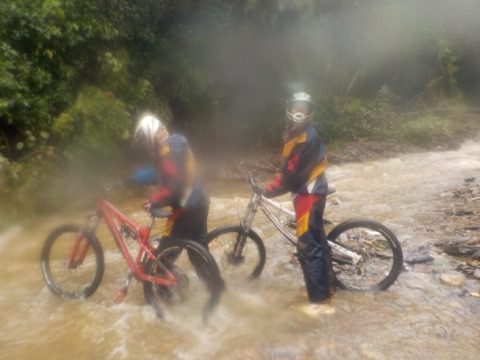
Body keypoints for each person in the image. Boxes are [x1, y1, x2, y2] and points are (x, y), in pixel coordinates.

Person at [263, 92, 335, 317]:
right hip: (310, 193)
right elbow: (289, 168)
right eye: (296, 107)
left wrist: (268, 190)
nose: (299, 111)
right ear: (290, 108)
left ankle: (320, 302)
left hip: (308, 196)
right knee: (318, 242)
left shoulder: (306, 138)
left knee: (307, 247)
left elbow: (291, 176)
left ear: (309, 112)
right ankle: (328, 287)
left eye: (303, 108)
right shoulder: (296, 133)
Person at [132, 114, 209, 247]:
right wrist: (131, 179)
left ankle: (162, 267)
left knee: (164, 255)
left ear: (151, 136)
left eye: (144, 140)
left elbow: (174, 186)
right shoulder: (174, 146)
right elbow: (161, 174)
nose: (145, 145)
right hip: (199, 202)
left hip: (187, 209)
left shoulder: (168, 151)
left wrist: (154, 202)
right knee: (199, 254)